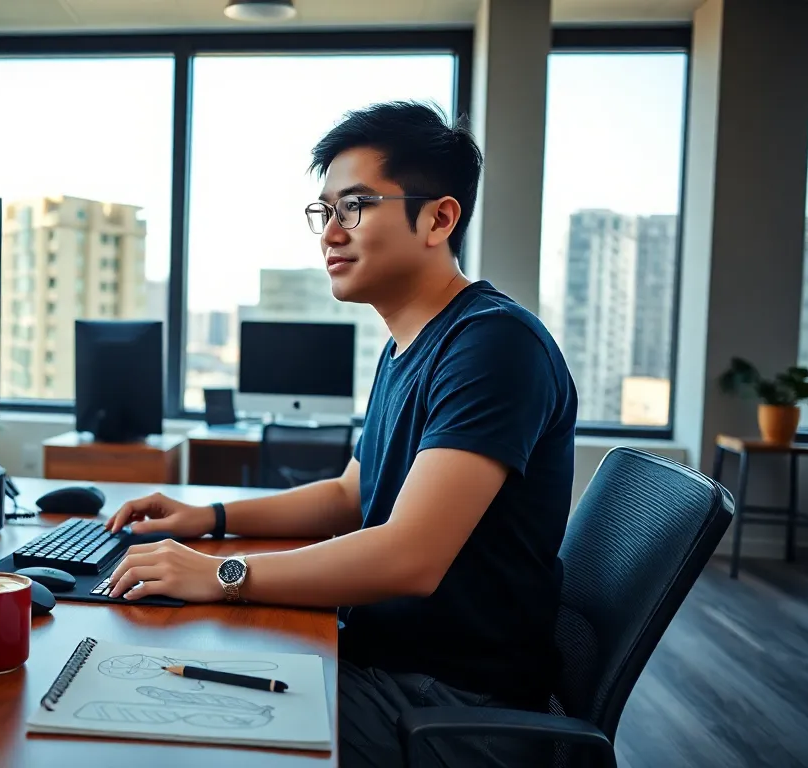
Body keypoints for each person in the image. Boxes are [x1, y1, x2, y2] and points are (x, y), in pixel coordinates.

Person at [103, 101, 577, 767]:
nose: (329, 233)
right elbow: (350, 495)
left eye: (354, 207)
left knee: (155, 719)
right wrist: (208, 517)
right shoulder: (407, 345)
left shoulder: (493, 345)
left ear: (439, 219)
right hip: (390, 664)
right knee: (151, 674)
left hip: (451, 707)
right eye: (323, 211)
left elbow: (410, 557)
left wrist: (222, 574)